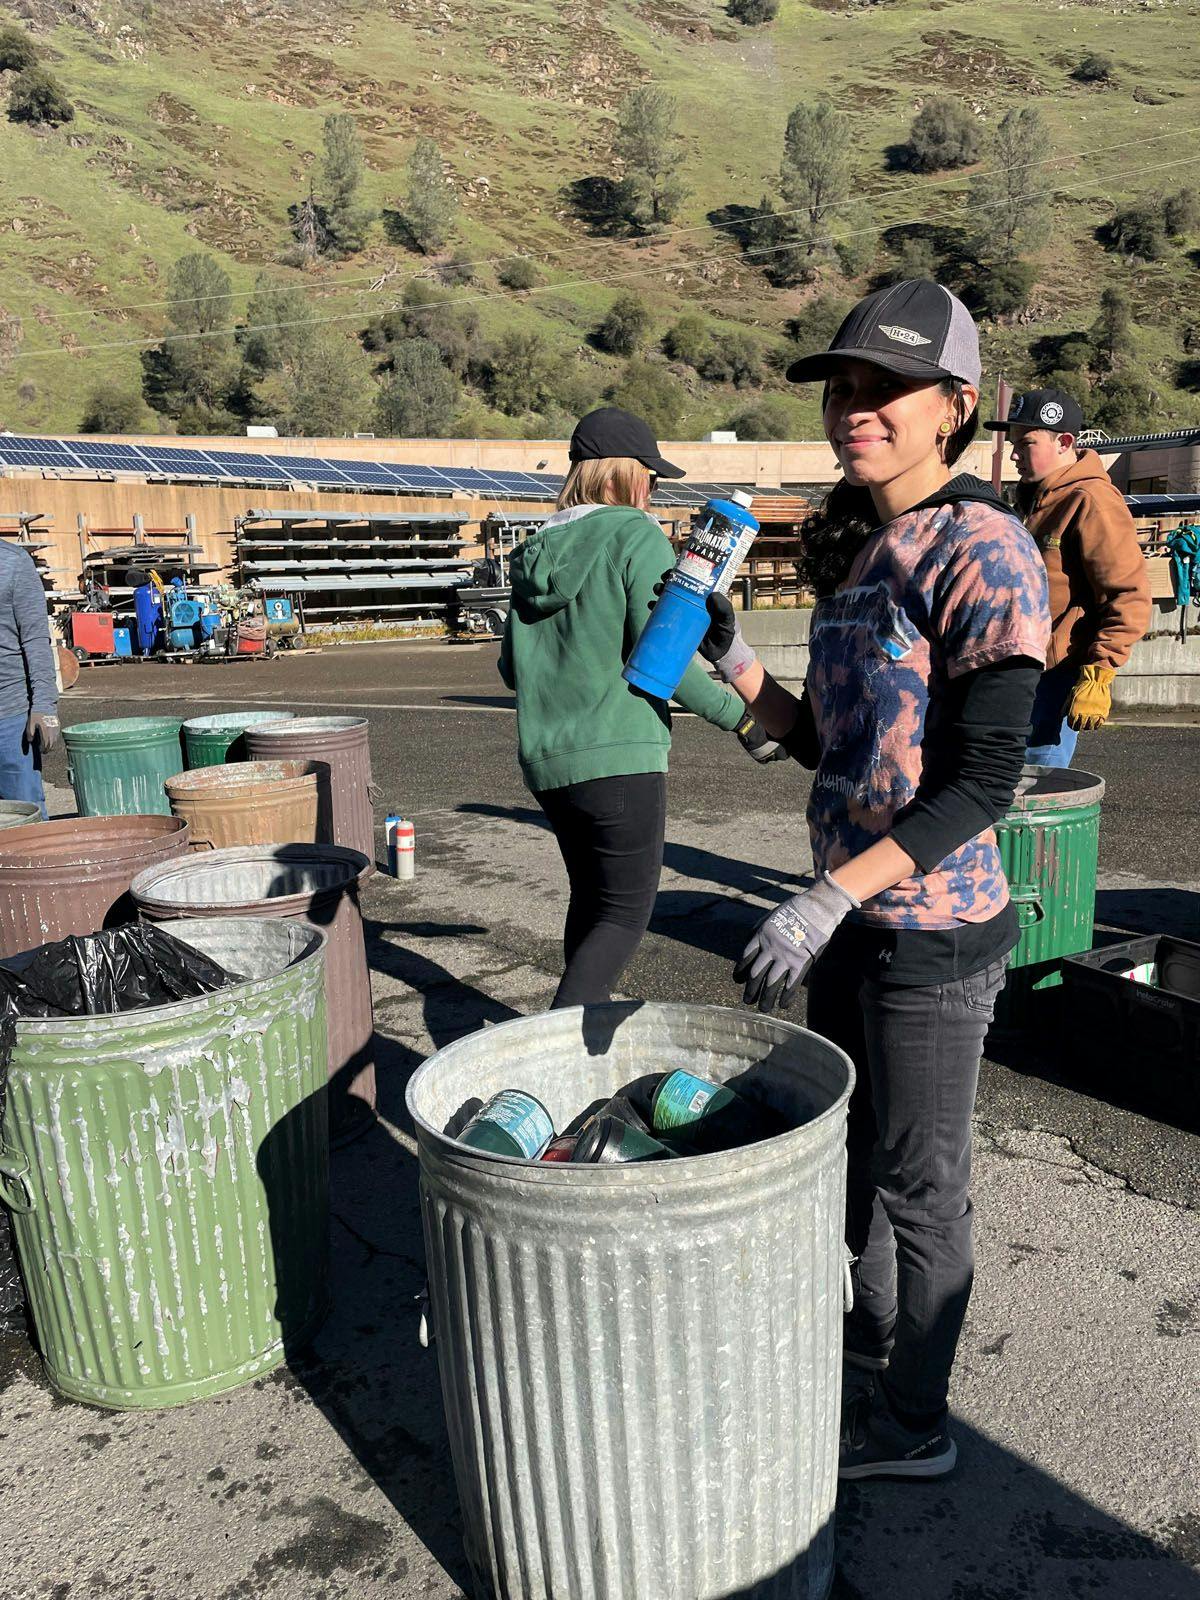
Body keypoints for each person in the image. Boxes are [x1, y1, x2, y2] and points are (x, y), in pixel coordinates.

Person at [702, 280, 1051, 1480]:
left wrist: (833, 894)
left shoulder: (984, 547)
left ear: (954, 405)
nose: (858, 408)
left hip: (932, 931)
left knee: (924, 1186)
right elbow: (836, 747)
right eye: (845, 388)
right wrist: (737, 665)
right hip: (847, 920)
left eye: (887, 388)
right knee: (855, 1159)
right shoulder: (866, 550)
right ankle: (872, 1349)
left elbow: (983, 781)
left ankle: (916, 1427)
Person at [498, 406, 745, 1007]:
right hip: (619, 758)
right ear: (622, 476)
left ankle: (578, 1041)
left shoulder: (536, 549)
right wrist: (742, 717)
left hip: (549, 765)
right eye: (651, 476)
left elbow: (510, 668)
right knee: (624, 917)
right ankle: (549, 1066)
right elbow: (665, 663)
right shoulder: (635, 536)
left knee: (592, 904)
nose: (654, 489)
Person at [986, 387, 1150, 767]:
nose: (1014, 454)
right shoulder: (1034, 499)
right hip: (1015, 670)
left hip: (1054, 678)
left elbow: (1128, 593)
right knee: (1002, 800)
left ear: (1064, 441)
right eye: (1012, 443)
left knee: (1037, 803)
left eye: (1025, 443)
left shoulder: (1091, 500)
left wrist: (1100, 670)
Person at [0, 539, 57, 818]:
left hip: (10, 721)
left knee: (26, 825)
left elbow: (35, 639)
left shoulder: (12, 563)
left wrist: (45, 706)